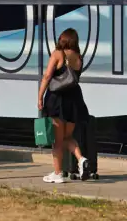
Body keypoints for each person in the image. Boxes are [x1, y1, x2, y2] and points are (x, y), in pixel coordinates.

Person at [38, 28, 91, 184]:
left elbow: (47, 76)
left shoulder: (57, 54)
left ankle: (57, 173)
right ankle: (81, 159)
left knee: (57, 140)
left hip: (57, 99)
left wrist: (40, 96)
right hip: (74, 100)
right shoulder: (79, 57)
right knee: (67, 137)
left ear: (63, 39)